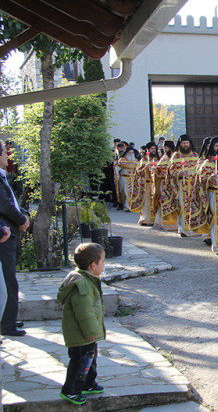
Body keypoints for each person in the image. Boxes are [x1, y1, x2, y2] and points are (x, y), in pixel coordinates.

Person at [57, 243, 106, 405]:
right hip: (82, 334)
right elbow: (84, 312)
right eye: (103, 262)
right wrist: (91, 331)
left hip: (87, 335)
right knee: (81, 362)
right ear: (93, 265)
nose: (104, 265)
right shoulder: (83, 285)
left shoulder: (88, 279)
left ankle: (88, 384)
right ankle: (70, 390)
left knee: (90, 359)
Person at [0, 139, 29, 336]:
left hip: (8, 231)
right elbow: (4, 205)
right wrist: (21, 220)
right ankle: (7, 323)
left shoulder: (3, 176)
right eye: (4, 152)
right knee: (8, 279)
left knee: (9, 279)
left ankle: (9, 318)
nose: (7, 155)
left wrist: (23, 214)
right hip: (4, 234)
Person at [188, 136, 218, 253]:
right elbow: (200, 179)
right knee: (215, 219)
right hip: (213, 195)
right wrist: (209, 178)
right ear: (212, 148)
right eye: (216, 146)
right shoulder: (207, 163)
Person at [161, 134, 199, 237]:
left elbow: (199, 169)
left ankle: (194, 228)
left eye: (187, 143)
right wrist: (179, 174)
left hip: (194, 185)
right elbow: (171, 170)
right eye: (183, 143)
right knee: (183, 207)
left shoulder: (195, 155)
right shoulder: (176, 155)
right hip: (181, 186)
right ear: (180, 144)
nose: (185, 145)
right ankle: (183, 229)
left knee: (194, 206)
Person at [128, 141, 159, 226]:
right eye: (151, 149)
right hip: (146, 184)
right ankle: (146, 219)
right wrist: (145, 168)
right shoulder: (143, 160)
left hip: (155, 183)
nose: (153, 150)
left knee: (155, 201)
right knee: (147, 203)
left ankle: (155, 219)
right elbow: (137, 172)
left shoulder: (157, 159)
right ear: (147, 150)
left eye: (154, 149)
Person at [152, 141, 177, 231]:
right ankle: (162, 222)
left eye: (166, 148)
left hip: (173, 184)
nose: (165, 150)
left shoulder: (175, 157)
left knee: (174, 203)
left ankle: (174, 223)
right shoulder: (164, 158)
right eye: (164, 149)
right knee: (163, 202)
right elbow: (159, 169)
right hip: (163, 184)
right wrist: (156, 171)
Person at [115, 144, 138, 212]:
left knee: (133, 193)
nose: (131, 154)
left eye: (132, 152)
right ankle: (126, 206)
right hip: (124, 178)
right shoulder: (122, 159)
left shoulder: (135, 160)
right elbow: (117, 168)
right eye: (129, 152)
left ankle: (132, 206)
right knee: (125, 193)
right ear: (126, 153)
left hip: (133, 178)